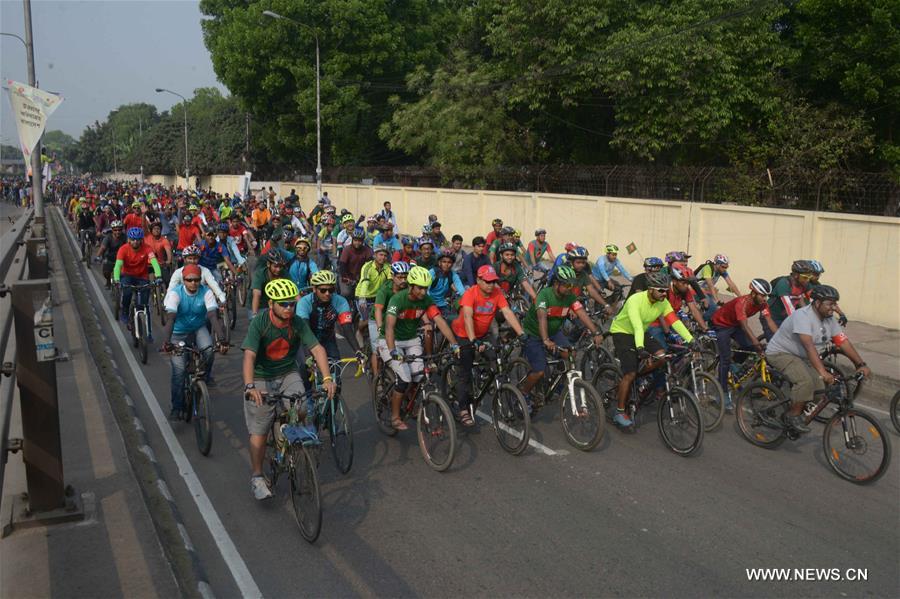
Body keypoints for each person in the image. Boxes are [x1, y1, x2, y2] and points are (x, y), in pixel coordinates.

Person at [242, 278, 336, 500]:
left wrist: (327, 377)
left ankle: (289, 435)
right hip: (261, 376)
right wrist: (250, 386)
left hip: (287, 373)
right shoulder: (260, 323)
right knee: (260, 427)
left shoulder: (297, 323)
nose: (289, 308)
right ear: (272, 303)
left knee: (303, 407)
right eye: (283, 304)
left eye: (292, 304)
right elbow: (249, 356)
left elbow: (317, 349)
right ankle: (257, 476)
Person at [765, 285, 869, 433]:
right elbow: (809, 346)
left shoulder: (829, 319)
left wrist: (860, 364)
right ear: (817, 303)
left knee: (819, 390)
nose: (833, 308)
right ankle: (792, 417)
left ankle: (792, 410)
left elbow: (843, 342)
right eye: (830, 304)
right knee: (805, 381)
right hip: (781, 353)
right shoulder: (803, 316)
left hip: (801, 356)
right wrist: (823, 372)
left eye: (835, 304)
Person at [608, 271, 695, 429]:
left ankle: (640, 377)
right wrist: (640, 348)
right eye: (660, 290)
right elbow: (636, 326)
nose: (664, 293)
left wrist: (691, 340)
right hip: (623, 332)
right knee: (630, 373)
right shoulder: (635, 300)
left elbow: (674, 321)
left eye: (666, 290)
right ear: (650, 289)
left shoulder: (662, 302)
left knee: (662, 356)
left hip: (641, 332)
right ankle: (619, 412)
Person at [380, 266, 459, 430]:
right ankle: (395, 417)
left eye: (425, 288)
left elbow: (440, 321)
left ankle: (411, 403)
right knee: (403, 379)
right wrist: (393, 351)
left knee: (419, 376)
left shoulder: (426, 301)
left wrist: (454, 343)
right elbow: (388, 327)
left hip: (411, 340)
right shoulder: (398, 299)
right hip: (391, 341)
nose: (423, 292)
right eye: (420, 288)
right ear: (411, 286)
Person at [518, 266, 605, 412]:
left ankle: (557, 385)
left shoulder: (570, 297)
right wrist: (545, 340)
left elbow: (581, 313)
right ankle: (524, 394)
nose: (570, 288)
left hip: (553, 332)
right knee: (539, 370)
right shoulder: (544, 295)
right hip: (534, 333)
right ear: (557, 283)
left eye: (572, 285)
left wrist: (596, 332)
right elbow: (542, 318)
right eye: (567, 285)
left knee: (570, 355)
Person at [451, 265, 527, 427]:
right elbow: (467, 316)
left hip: (483, 334)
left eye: (493, 281)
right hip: (465, 334)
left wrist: (521, 333)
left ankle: (487, 381)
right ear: (478, 280)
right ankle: (463, 409)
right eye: (487, 281)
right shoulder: (471, 293)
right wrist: (472, 340)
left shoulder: (497, 293)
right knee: (464, 372)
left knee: (498, 361)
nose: (491, 285)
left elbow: (507, 312)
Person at [159, 264, 227, 419]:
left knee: (209, 350)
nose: (193, 283)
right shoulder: (175, 294)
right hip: (177, 334)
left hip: (198, 329)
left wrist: (222, 339)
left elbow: (212, 317)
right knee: (179, 372)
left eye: (196, 280)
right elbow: (170, 319)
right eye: (189, 280)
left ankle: (205, 377)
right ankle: (176, 407)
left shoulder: (206, 292)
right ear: (184, 280)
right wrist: (167, 342)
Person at [711, 278, 777, 410]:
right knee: (725, 359)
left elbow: (769, 321)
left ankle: (733, 366)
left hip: (734, 325)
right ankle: (722, 393)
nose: (765, 298)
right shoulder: (742, 303)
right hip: (721, 325)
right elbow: (745, 327)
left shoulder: (763, 304)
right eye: (762, 295)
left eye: (766, 296)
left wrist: (779, 338)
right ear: (753, 293)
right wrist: (758, 344)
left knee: (749, 348)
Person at [296, 270, 366, 381]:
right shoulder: (304, 303)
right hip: (307, 339)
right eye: (323, 290)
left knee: (336, 378)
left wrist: (357, 351)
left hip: (328, 340)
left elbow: (347, 328)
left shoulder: (340, 301)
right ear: (314, 289)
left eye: (331, 290)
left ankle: (336, 396)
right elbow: (304, 331)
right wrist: (308, 355)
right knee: (305, 376)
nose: (327, 293)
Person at [113, 228, 163, 336]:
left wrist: (158, 276)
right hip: (127, 275)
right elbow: (118, 266)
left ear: (141, 240)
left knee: (144, 304)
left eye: (137, 240)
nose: (135, 242)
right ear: (129, 240)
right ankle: (125, 311)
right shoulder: (123, 249)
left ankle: (148, 333)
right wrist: (117, 279)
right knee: (127, 292)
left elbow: (154, 262)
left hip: (142, 277)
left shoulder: (147, 248)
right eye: (133, 239)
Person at [369, 261, 410, 375]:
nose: (403, 280)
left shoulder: (408, 288)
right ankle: (377, 380)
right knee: (377, 349)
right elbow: (378, 310)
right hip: (377, 319)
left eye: (405, 277)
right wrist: (379, 329)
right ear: (392, 276)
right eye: (400, 277)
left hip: (394, 319)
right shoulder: (385, 290)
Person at [764, 260, 815, 339]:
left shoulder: (804, 283)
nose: (807, 280)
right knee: (777, 342)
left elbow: (814, 301)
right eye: (804, 277)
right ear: (795, 275)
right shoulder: (783, 284)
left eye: (809, 277)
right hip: (771, 316)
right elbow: (789, 308)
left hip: (785, 316)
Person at [354, 244, 392, 338]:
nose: (383, 257)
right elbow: (365, 282)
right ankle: (359, 330)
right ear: (375, 255)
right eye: (380, 255)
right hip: (364, 296)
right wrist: (362, 298)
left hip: (377, 296)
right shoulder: (367, 267)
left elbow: (391, 282)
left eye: (385, 255)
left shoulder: (388, 267)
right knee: (367, 320)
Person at [695, 254, 741, 321]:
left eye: (726, 267)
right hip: (695, 290)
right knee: (713, 307)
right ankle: (701, 323)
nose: (725, 269)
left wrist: (740, 297)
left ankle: (704, 319)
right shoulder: (708, 268)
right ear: (717, 264)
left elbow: (731, 284)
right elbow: (710, 285)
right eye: (723, 267)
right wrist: (716, 300)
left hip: (705, 290)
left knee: (719, 307)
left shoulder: (722, 271)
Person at [428, 249, 467, 319]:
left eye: (449, 262)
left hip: (442, 304)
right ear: (439, 262)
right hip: (429, 303)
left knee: (452, 320)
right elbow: (425, 291)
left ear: (452, 264)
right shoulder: (432, 272)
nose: (446, 264)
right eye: (444, 262)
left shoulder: (452, 274)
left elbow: (462, 291)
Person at [251, 251, 289, 318]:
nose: (278, 269)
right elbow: (257, 294)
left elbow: (294, 291)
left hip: (275, 304)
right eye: (275, 266)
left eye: (280, 267)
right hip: (260, 305)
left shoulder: (284, 273)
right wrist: (254, 315)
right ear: (268, 264)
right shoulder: (259, 275)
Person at [338, 228, 373, 299]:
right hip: (347, 275)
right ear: (352, 240)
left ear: (363, 241)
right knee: (346, 293)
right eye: (355, 240)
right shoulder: (347, 249)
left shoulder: (367, 250)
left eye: (359, 241)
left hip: (360, 277)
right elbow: (342, 265)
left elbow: (370, 265)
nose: (357, 243)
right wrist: (345, 277)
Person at [97, 220, 127, 289]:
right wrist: (98, 256)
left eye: (119, 230)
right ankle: (108, 282)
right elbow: (102, 248)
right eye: (115, 230)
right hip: (109, 257)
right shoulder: (108, 237)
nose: (117, 232)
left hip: (121, 258)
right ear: (112, 230)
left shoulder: (125, 237)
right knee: (106, 272)